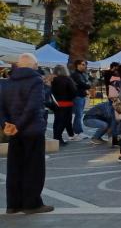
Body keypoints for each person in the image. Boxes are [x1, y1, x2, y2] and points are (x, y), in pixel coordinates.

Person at [1, 53, 51, 214]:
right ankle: (32, 204)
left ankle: (13, 204)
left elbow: (1, 107)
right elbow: (33, 106)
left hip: (14, 132)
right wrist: (18, 125)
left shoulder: (7, 82)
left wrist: (6, 125)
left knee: (15, 167)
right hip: (32, 130)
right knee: (34, 167)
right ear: (34, 65)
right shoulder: (36, 81)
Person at [49, 65, 77, 146]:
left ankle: (56, 138)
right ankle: (59, 138)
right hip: (67, 103)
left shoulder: (53, 80)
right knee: (64, 121)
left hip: (56, 103)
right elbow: (74, 91)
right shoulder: (68, 79)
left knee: (57, 121)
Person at [69, 59, 91, 139]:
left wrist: (87, 85)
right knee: (79, 115)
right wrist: (87, 85)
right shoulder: (75, 75)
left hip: (81, 96)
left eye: (85, 64)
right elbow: (83, 84)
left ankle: (77, 132)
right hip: (77, 97)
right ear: (77, 65)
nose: (84, 66)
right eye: (83, 64)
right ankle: (78, 132)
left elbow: (86, 83)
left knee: (79, 115)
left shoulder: (82, 74)